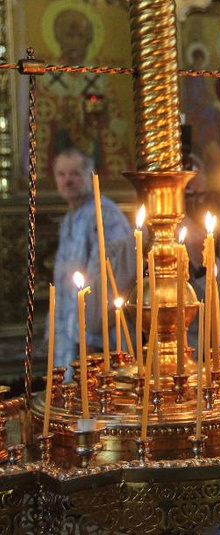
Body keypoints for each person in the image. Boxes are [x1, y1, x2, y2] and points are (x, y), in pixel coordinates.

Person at [50, 147, 134, 378]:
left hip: (95, 338)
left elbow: (111, 277)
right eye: (62, 174)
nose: (68, 180)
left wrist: (93, 336)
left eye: (75, 173)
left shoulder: (104, 214)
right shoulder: (69, 218)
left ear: (89, 175)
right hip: (71, 333)